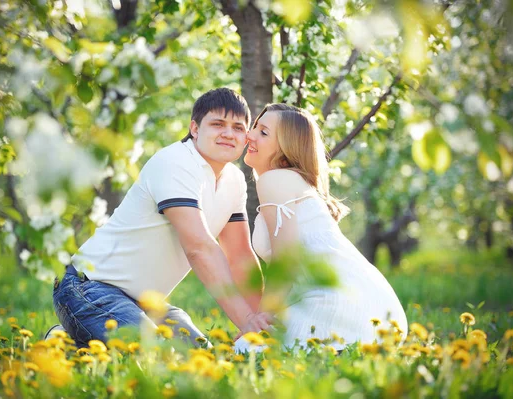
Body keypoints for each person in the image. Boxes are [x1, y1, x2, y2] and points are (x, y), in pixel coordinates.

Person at [50, 88, 270, 347]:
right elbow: (199, 248)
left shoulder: (233, 180)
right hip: (89, 288)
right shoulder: (175, 163)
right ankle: (59, 343)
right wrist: (245, 320)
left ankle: (72, 340)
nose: (228, 133)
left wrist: (258, 325)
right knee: (159, 360)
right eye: (218, 124)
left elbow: (240, 255)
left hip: (145, 303)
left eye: (237, 127)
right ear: (195, 129)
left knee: (204, 361)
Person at [234, 103, 408, 352]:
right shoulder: (290, 181)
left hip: (349, 307)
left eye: (263, 132)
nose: (249, 135)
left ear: (286, 149)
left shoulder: (275, 179)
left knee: (245, 349)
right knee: (251, 347)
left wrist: (258, 321)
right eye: (255, 127)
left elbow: (286, 260)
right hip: (377, 311)